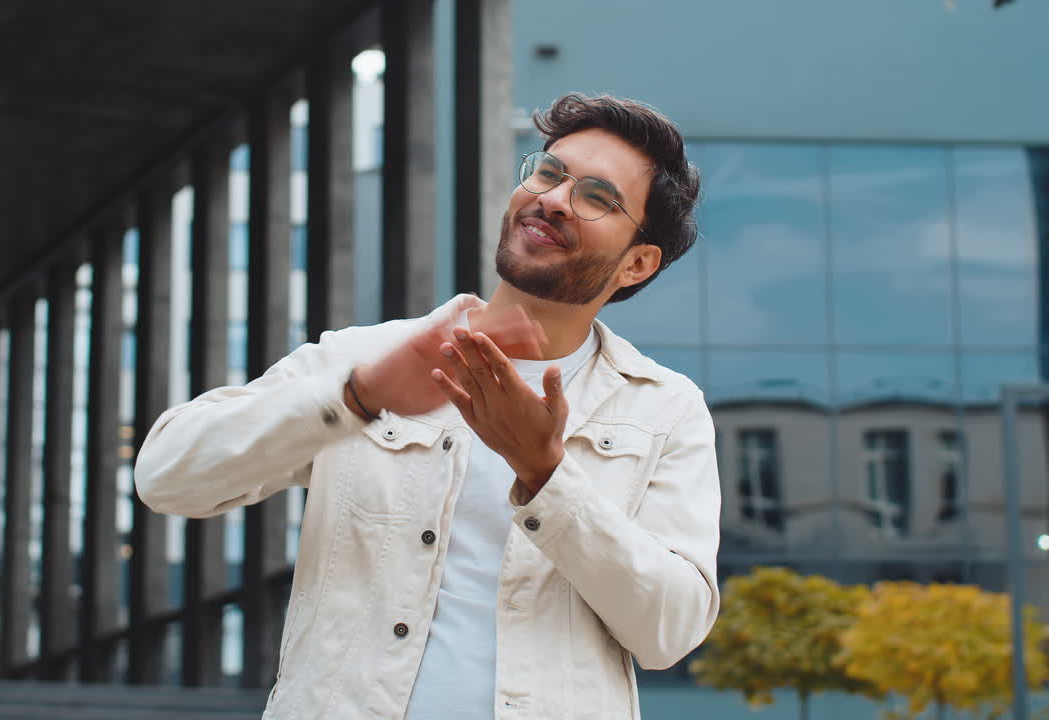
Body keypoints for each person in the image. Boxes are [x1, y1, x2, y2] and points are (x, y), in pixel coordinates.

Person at [135, 92, 720, 720]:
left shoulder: (663, 408)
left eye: (598, 197)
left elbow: (671, 631)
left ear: (637, 263)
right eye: (550, 173)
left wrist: (547, 477)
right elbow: (166, 479)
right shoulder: (369, 358)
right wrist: (355, 399)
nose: (552, 199)